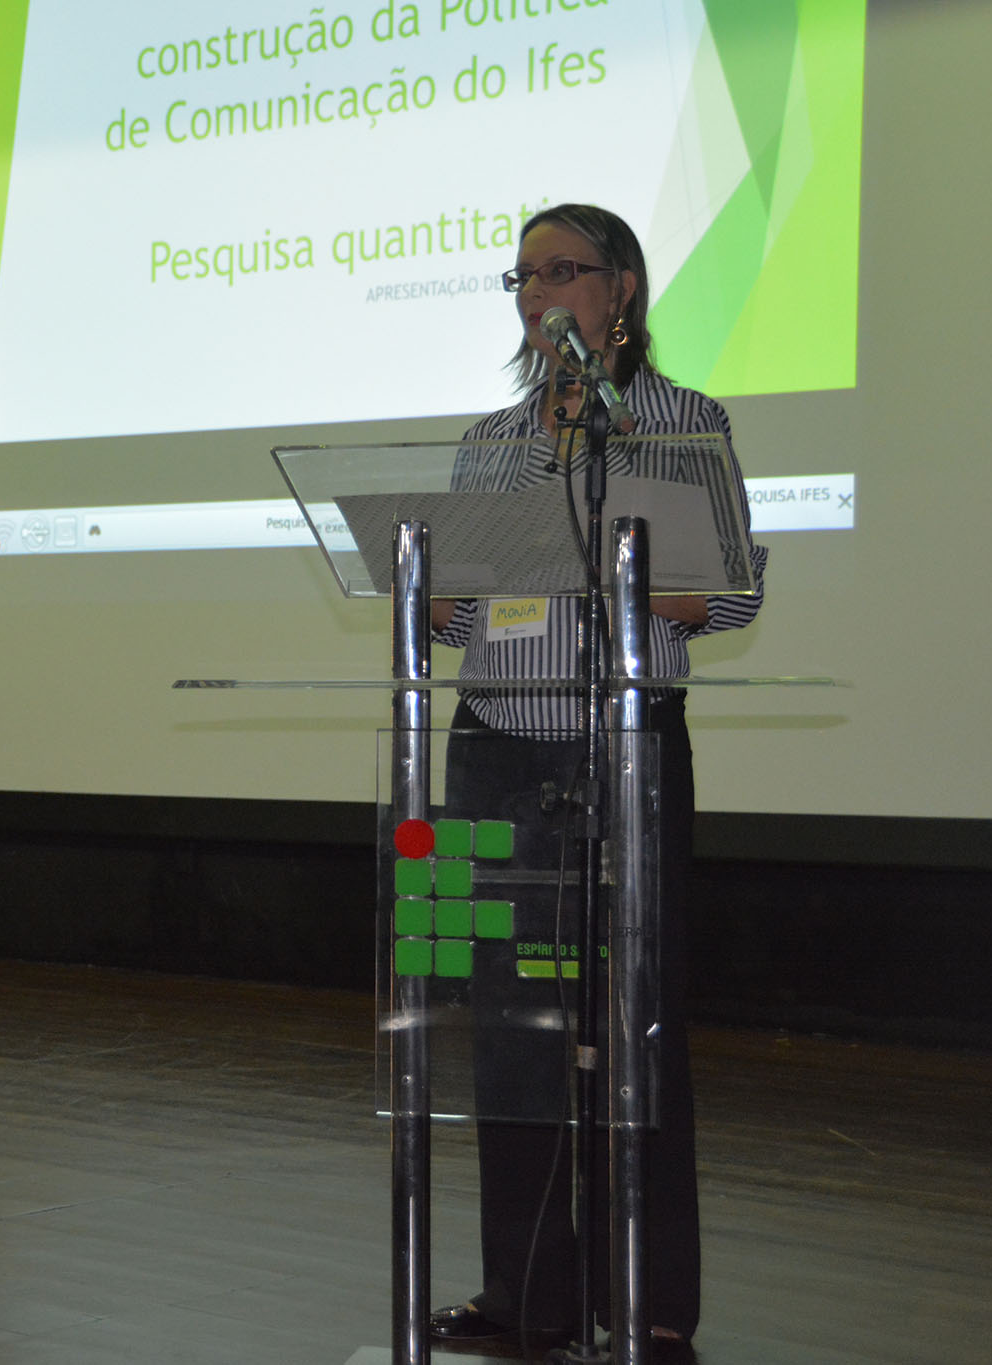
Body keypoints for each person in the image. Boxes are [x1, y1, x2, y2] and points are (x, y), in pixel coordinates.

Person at [424, 204, 767, 1349]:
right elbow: (457, 616)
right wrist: (437, 593)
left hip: (621, 749)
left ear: (619, 288)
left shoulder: (680, 422)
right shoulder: (490, 438)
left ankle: (648, 1310)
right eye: (522, 277)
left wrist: (604, 579)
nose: (536, 294)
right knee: (509, 1029)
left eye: (560, 271)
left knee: (633, 1027)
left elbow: (728, 597)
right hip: (491, 748)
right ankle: (524, 1296)